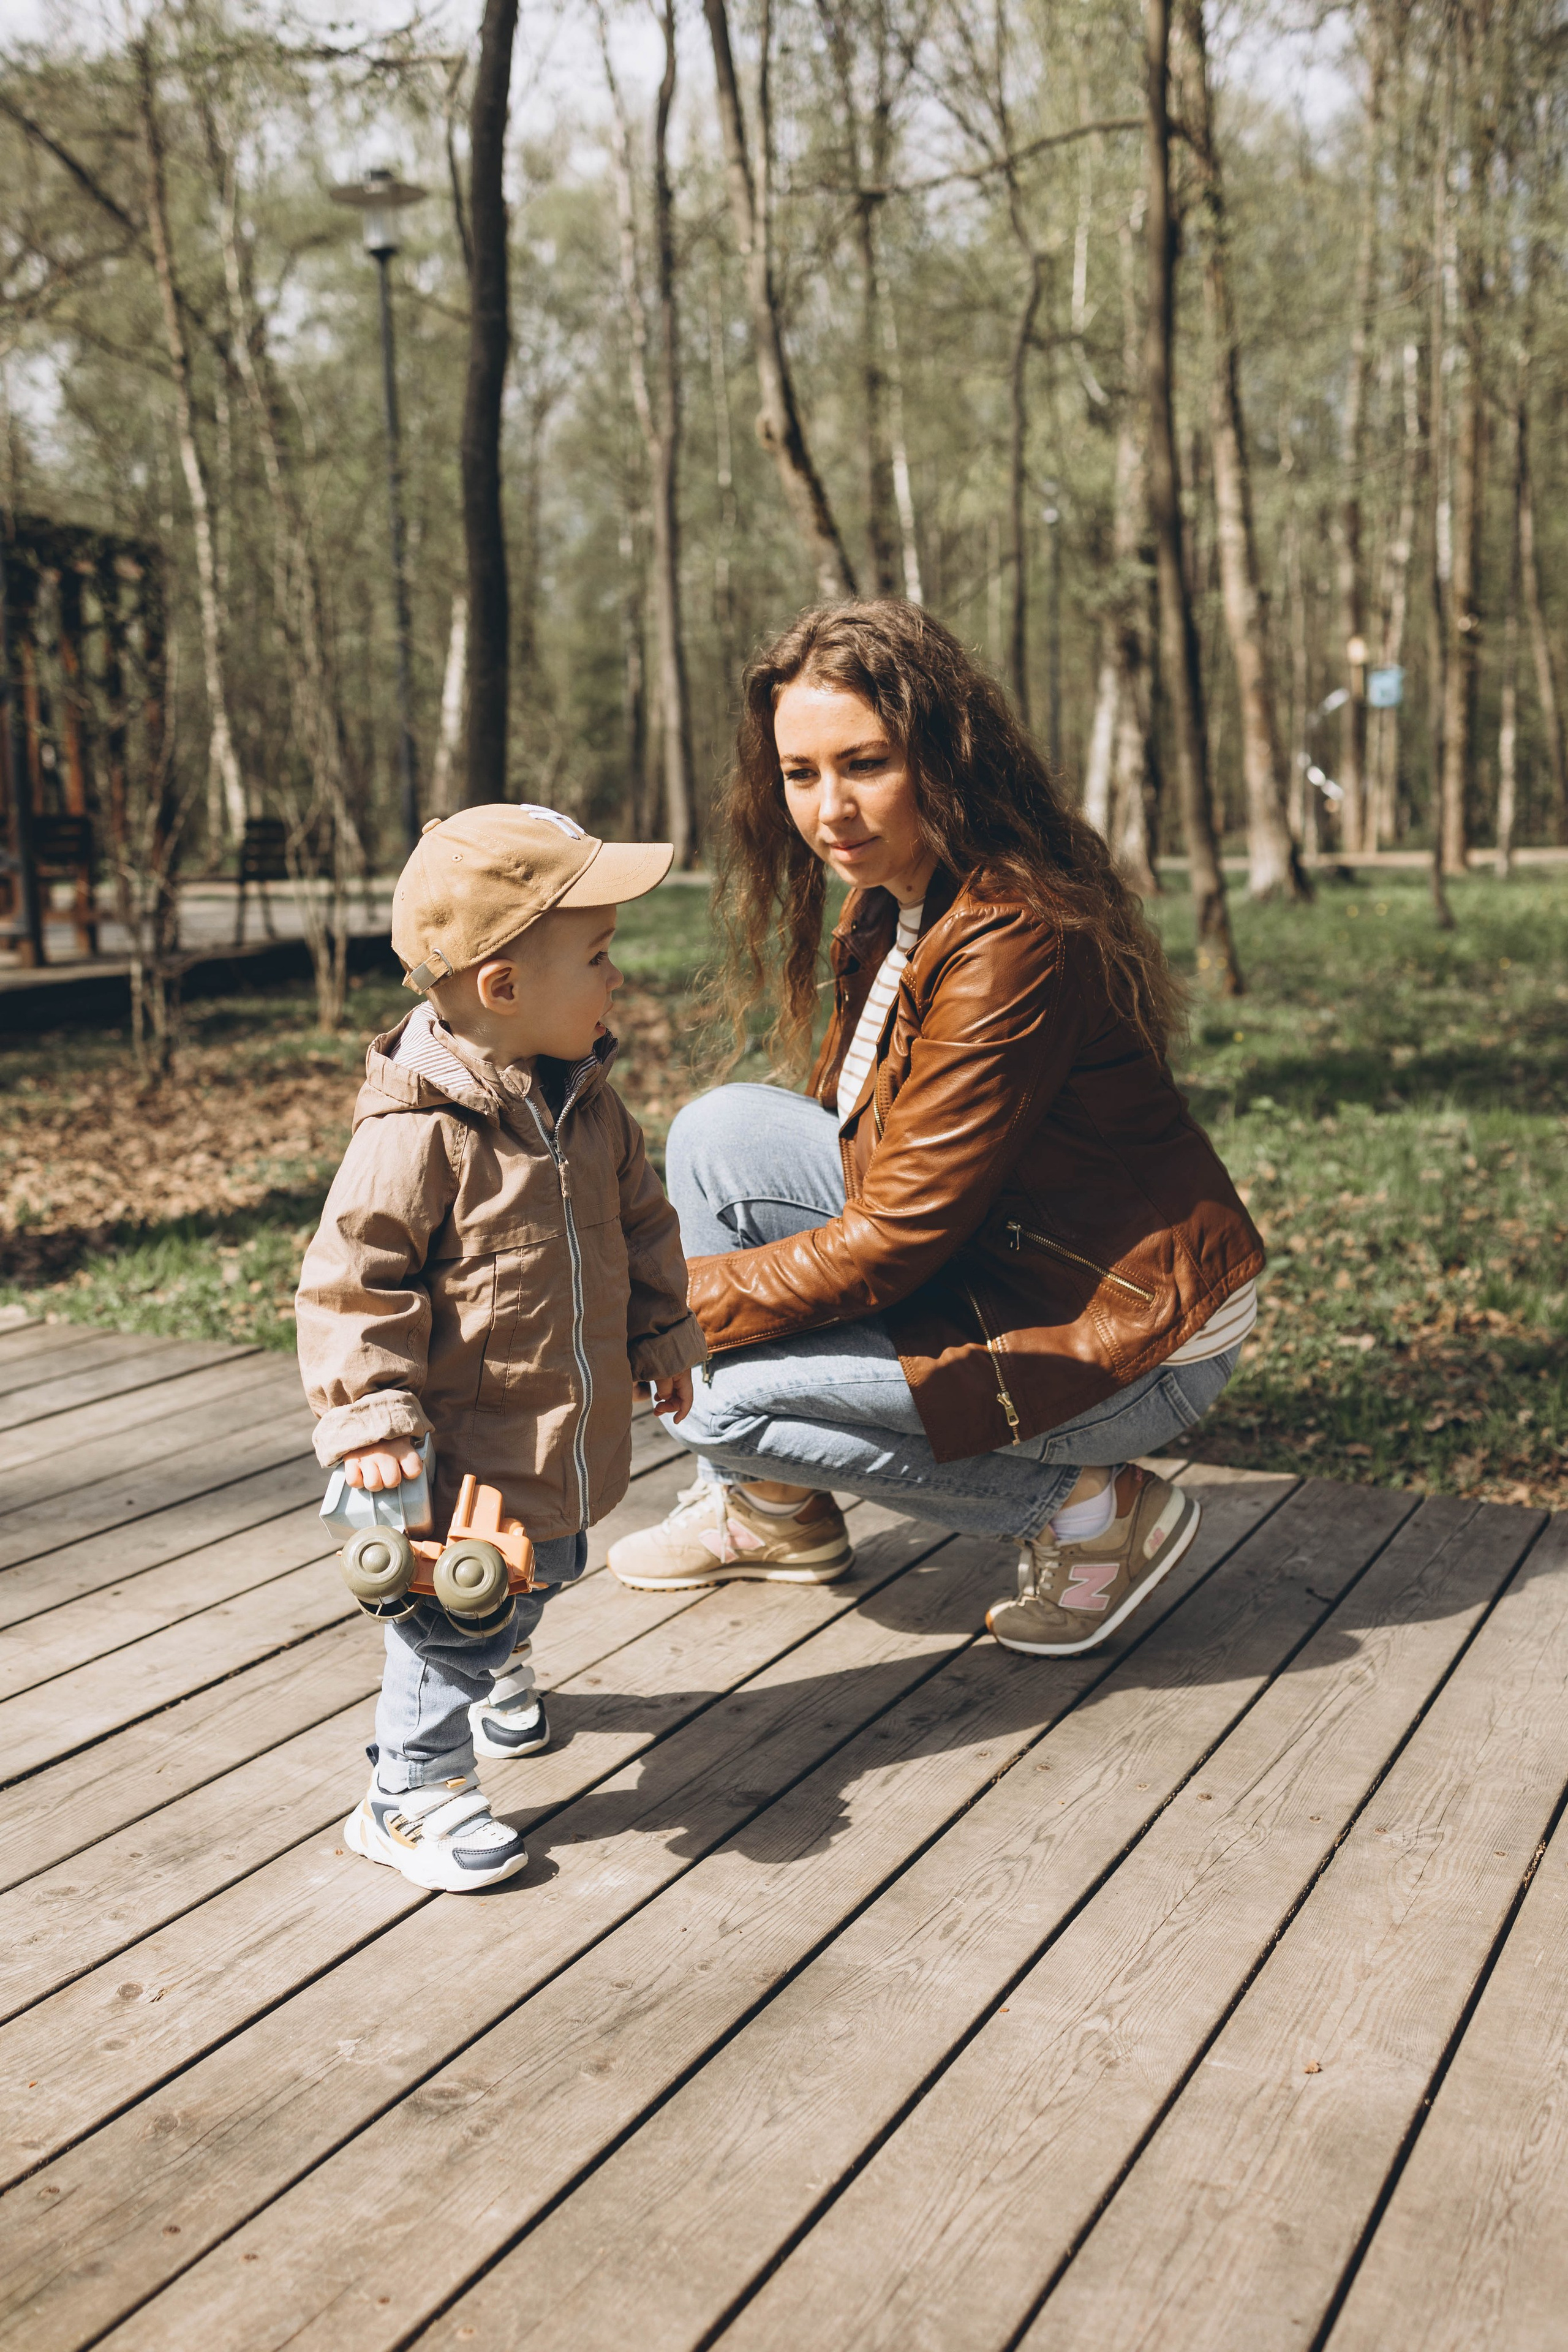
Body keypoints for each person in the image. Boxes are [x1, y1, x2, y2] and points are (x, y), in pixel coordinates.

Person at [608, 601, 1264, 1657]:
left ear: (944, 757)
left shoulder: (1012, 935)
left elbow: (895, 1238)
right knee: (717, 1131)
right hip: (1005, 1255)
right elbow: (874, 1164)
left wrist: (657, 1309)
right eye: (801, 773)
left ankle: (1095, 1513)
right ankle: (775, 1508)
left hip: (1127, 1331)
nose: (830, 809)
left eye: (865, 764)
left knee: (712, 1401)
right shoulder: (895, 898)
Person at [296, 805, 703, 1892]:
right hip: (467, 1447)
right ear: (505, 986)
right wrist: (369, 1419)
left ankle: (503, 1663)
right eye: (598, 956)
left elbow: (644, 1223)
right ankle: (408, 1792)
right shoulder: (418, 1134)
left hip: (562, 1425)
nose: (617, 977)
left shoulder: (588, 1104)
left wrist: (663, 1332)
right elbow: (351, 1282)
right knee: (450, 1619)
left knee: (545, 1567)